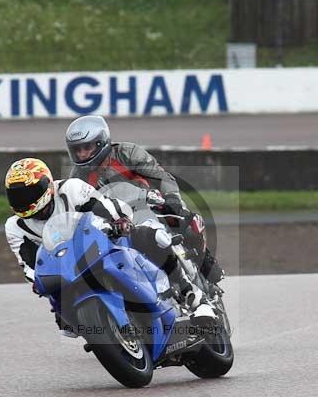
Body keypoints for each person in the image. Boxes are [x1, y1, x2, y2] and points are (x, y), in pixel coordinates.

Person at [3, 157, 216, 338]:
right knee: (64, 323)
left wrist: (120, 220)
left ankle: (193, 295)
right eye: (17, 196)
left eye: (29, 193)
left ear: (46, 185)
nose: (24, 200)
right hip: (66, 268)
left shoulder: (70, 189)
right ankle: (107, 331)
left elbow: (106, 206)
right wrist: (36, 280)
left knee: (151, 236)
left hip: (102, 241)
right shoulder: (15, 226)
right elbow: (29, 263)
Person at [64, 115, 224, 284]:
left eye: (86, 147)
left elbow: (162, 177)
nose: (82, 154)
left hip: (150, 205)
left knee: (181, 217)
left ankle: (205, 261)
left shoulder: (127, 153)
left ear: (101, 142)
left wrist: (171, 198)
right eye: (77, 149)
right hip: (117, 221)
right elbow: (76, 208)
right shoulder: (77, 178)